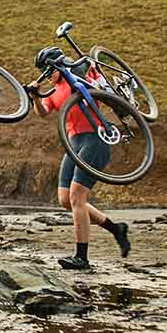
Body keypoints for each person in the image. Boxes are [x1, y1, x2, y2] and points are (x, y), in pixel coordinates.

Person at [25, 54, 132, 270]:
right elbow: (43, 112)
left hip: (94, 140)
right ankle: (116, 229)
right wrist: (34, 96)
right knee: (65, 199)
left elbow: (99, 89)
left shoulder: (77, 78)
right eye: (42, 72)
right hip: (73, 143)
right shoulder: (53, 91)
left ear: (58, 66)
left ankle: (81, 257)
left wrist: (89, 69)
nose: (46, 75)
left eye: (48, 70)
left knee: (77, 197)